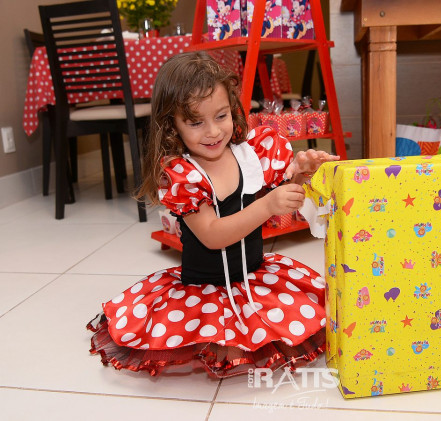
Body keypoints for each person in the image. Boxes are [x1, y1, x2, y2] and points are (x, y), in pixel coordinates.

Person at [87, 51, 339, 378]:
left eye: (221, 116)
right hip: (202, 289)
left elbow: (284, 195)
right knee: (213, 334)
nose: (213, 132)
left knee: (313, 311)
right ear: (172, 126)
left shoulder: (251, 153)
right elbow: (212, 234)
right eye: (195, 122)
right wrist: (267, 205)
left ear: (232, 109)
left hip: (254, 275)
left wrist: (301, 175)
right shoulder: (183, 175)